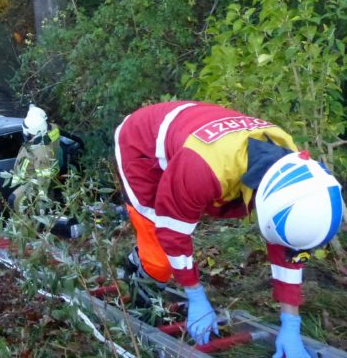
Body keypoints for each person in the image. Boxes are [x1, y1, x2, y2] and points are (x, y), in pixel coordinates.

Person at [115, 101, 344, 356]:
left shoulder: (294, 172)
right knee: (159, 256)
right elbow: (173, 231)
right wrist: (195, 294)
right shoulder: (203, 168)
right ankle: (139, 279)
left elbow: (287, 250)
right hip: (142, 144)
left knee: (181, 218)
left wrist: (291, 323)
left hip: (190, 136)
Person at [8, 105, 62, 212]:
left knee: (15, 200)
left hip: (33, 184)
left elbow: (43, 179)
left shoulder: (40, 153)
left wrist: (42, 196)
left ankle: (31, 220)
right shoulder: (53, 130)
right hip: (52, 169)